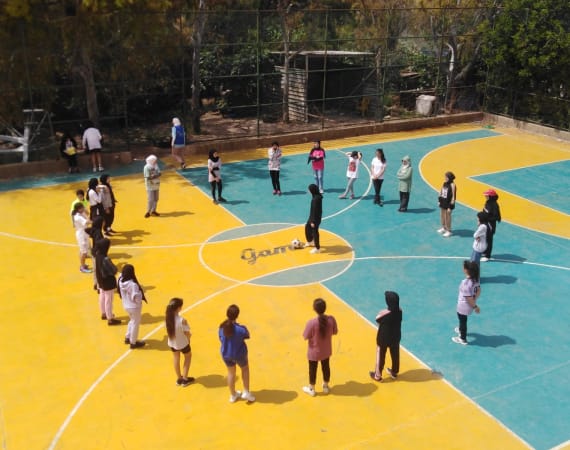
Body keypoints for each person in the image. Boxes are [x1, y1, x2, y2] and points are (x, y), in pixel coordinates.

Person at [219, 304, 255, 403]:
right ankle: (246, 392)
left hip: (226, 354)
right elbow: (247, 335)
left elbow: (220, 339)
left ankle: (233, 395)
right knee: (245, 369)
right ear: (237, 315)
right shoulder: (240, 329)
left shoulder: (222, 327)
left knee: (231, 373)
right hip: (239, 354)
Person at [302, 298, 338, 397]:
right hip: (326, 350)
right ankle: (326, 386)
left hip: (314, 352)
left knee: (312, 369)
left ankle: (311, 388)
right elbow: (335, 332)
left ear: (314, 309)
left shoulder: (312, 323)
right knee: (326, 367)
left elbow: (305, 336)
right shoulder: (331, 319)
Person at [370, 291, 402, 381]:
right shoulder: (400, 311)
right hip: (395, 338)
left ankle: (377, 375)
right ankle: (394, 372)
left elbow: (377, 319)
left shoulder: (384, 313)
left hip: (383, 339)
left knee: (380, 356)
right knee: (395, 355)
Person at [165, 298, 195, 387]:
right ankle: (185, 379)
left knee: (176, 358)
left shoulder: (167, 318)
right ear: (178, 308)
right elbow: (187, 333)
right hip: (182, 343)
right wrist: (189, 339)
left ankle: (179, 378)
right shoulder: (182, 320)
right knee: (188, 357)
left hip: (172, 343)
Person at [452, 260, 481, 345]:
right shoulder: (476, 280)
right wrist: (474, 299)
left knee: (462, 320)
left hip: (463, 305)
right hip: (470, 304)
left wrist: (475, 306)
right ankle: (461, 329)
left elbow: (468, 298)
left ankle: (462, 338)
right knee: (463, 319)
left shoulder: (465, 283)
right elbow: (479, 290)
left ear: (466, 270)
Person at [118, 264, 146, 349]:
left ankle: (128, 336)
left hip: (126, 304)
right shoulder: (133, 285)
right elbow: (136, 297)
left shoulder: (120, 279)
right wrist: (141, 294)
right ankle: (133, 342)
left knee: (132, 320)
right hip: (134, 307)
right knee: (135, 323)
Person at [94, 238, 121, 325]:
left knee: (102, 296)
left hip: (100, 279)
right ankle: (110, 318)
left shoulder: (97, 255)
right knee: (109, 299)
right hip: (107, 281)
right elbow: (114, 270)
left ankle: (103, 313)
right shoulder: (105, 258)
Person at [71, 202, 92, 273]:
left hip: (84, 233)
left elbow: (87, 217)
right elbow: (87, 222)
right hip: (81, 234)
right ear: (79, 209)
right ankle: (82, 268)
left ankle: (83, 264)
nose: (84, 208)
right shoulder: (77, 217)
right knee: (84, 252)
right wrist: (95, 221)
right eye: (82, 207)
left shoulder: (81, 213)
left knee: (82, 250)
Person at [482, 189, 502, 261]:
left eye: (487, 196)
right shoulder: (487, 203)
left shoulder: (494, 205)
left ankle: (487, 256)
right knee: (484, 238)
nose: (485, 197)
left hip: (490, 225)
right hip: (485, 223)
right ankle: (484, 252)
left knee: (489, 239)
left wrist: (487, 218)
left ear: (491, 196)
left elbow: (496, 216)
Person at [304, 184, 323, 254]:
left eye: (309, 189)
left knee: (315, 232)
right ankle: (310, 241)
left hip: (315, 219)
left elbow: (315, 210)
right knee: (307, 227)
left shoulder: (315, 200)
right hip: (313, 217)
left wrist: (312, 221)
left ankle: (317, 248)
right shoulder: (317, 196)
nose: (308, 191)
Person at [437, 171, 457, 237]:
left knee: (447, 217)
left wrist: (450, 206)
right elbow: (441, 192)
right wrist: (439, 200)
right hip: (443, 202)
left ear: (450, 177)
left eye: (446, 177)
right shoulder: (444, 183)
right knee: (442, 215)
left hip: (449, 203)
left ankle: (449, 230)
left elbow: (453, 196)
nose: (445, 178)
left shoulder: (453, 185)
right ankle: (444, 227)